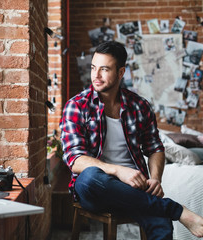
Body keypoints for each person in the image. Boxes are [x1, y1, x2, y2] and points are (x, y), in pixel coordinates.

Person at [59, 41, 203, 240]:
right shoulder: (76, 106)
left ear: (120, 73)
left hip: (134, 188)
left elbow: (155, 148)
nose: (96, 75)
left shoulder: (139, 106)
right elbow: (74, 160)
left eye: (104, 69)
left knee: (161, 224)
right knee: (90, 178)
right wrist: (119, 170)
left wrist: (155, 179)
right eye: (93, 68)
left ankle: (164, 210)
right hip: (97, 187)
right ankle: (177, 210)